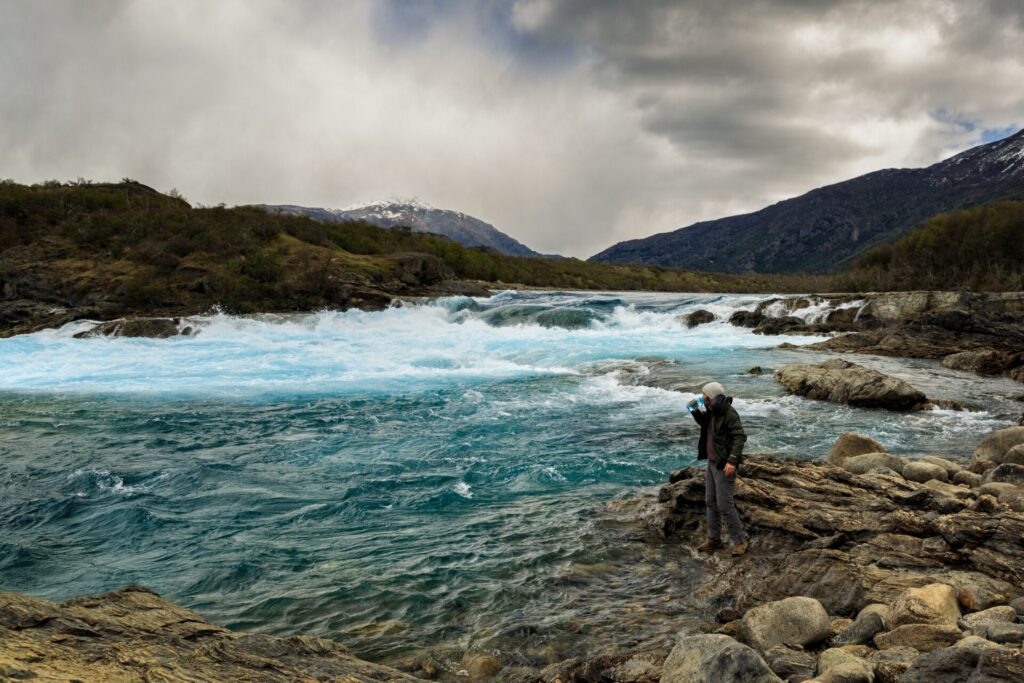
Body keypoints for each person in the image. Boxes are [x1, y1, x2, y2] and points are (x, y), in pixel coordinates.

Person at [687, 381, 748, 556]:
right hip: (712, 463)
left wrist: (732, 461)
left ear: (711, 397)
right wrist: (695, 411)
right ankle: (714, 539)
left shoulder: (729, 413)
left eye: (704, 395)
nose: (702, 397)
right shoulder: (714, 409)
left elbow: (740, 437)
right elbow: (705, 424)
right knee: (710, 502)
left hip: (723, 465)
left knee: (725, 505)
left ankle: (740, 542)